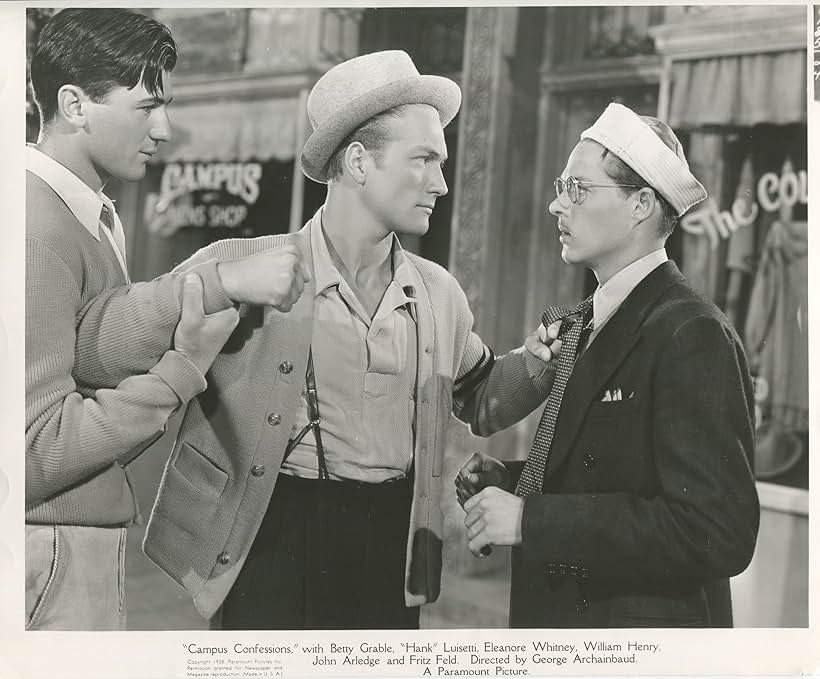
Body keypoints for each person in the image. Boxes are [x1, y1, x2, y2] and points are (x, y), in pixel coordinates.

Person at [65, 50, 559, 630]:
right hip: (270, 540)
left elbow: (479, 397)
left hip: (387, 547)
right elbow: (97, 345)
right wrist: (219, 285)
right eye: (423, 159)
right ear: (357, 162)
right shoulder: (241, 265)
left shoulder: (436, 292)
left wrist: (538, 363)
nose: (442, 183)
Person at [25, 8, 308, 630]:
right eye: (147, 107)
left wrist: (208, 284)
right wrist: (185, 366)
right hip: (46, 551)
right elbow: (31, 454)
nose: (165, 128)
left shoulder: (83, 213)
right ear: (74, 105)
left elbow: (90, 342)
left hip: (71, 544)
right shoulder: (34, 225)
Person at [456, 103, 760, 628]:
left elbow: (716, 530)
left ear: (642, 204)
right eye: (561, 185)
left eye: (578, 188)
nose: (556, 204)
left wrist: (533, 520)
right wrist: (515, 480)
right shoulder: (595, 320)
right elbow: (610, 470)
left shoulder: (692, 332)